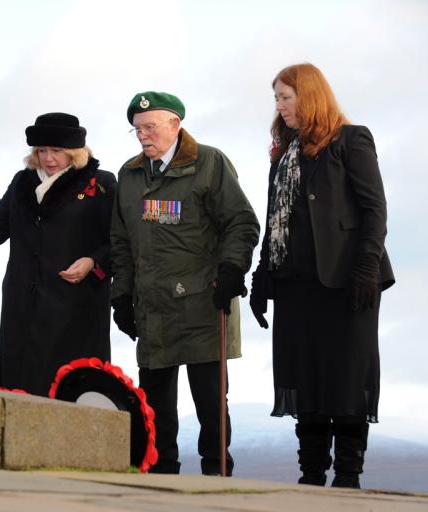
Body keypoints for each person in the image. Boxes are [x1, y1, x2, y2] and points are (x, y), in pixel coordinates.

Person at [249, 63, 395, 488]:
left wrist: (367, 267)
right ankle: (311, 476)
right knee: (305, 378)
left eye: (285, 97)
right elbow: (275, 217)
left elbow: (374, 211)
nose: (279, 106)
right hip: (296, 286)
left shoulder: (351, 140)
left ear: (309, 96)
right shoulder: (283, 153)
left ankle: (348, 477)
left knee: (347, 379)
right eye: (276, 98)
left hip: (349, 283)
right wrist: (262, 276)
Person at [111, 91, 260, 475]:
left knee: (211, 403)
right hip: (153, 310)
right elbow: (121, 242)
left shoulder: (209, 163)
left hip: (203, 304)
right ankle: (162, 479)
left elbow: (241, 222)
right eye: (137, 129)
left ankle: (217, 477)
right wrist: (121, 295)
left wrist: (232, 269)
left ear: (176, 125)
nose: (143, 135)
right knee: (156, 405)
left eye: (150, 127)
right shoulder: (128, 175)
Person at [0, 112, 117, 397]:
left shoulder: (100, 184)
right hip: (22, 300)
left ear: (75, 152)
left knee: (66, 387)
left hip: (74, 305)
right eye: (41, 151)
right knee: (18, 379)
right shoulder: (22, 183)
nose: (48, 158)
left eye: (57, 151)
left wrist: (93, 262)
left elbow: (119, 241)